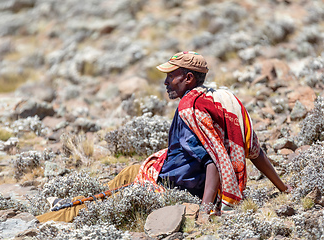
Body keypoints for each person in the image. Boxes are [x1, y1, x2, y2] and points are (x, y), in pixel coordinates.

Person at [37, 51, 290, 223]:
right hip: (176, 174)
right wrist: (283, 189)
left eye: (172, 76)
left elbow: (212, 160)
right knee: (127, 173)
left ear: (188, 78)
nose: (166, 82)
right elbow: (255, 152)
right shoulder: (223, 100)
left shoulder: (190, 109)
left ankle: (41, 221)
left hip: (172, 184)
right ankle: (65, 202)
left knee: (101, 202)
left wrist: (204, 210)